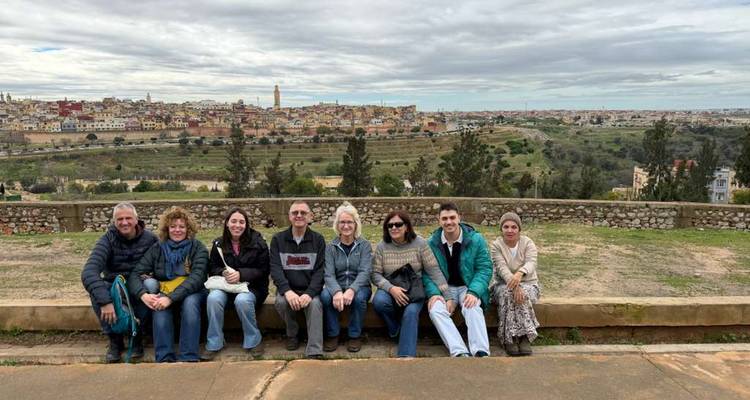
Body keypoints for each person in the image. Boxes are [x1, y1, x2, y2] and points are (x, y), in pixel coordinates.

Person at [128, 206, 208, 363]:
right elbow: (135, 274)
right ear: (167, 228)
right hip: (166, 290)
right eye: (173, 226)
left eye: (181, 227)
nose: (177, 230)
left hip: (193, 291)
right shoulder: (157, 248)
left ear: (188, 229)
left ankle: (188, 356)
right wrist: (143, 295)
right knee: (158, 305)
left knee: (190, 303)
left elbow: (197, 278)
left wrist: (170, 298)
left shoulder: (198, 248)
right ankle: (164, 358)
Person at [81, 202, 158, 363]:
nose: (124, 223)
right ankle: (114, 340)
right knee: (97, 290)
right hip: (114, 285)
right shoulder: (107, 240)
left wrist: (150, 274)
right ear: (114, 222)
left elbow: (160, 265)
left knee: (150, 286)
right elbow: (89, 271)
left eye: (128, 218)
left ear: (136, 220)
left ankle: (136, 335)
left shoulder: (150, 239)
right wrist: (105, 301)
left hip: (138, 284)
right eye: (120, 219)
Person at [371, 210, 449, 357]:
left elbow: (433, 270)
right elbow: (375, 274)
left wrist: (448, 296)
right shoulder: (382, 246)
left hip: (414, 288)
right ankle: (395, 329)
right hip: (391, 287)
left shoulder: (420, 243)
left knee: (411, 313)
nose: (394, 228)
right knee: (379, 301)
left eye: (398, 224)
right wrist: (391, 288)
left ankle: (406, 356)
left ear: (406, 226)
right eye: (390, 225)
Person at [201, 207, 270, 361]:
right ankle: (215, 342)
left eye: (241, 222)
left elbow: (264, 270)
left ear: (246, 225)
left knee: (242, 300)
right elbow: (213, 267)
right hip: (226, 286)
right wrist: (223, 273)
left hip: (252, 287)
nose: (237, 225)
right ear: (227, 223)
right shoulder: (218, 243)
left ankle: (254, 340)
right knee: (213, 299)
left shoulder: (259, 243)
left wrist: (241, 274)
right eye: (233, 221)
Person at [425, 203, 493, 357]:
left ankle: (481, 351)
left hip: (467, 286)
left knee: (472, 306)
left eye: (452, 217)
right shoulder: (431, 243)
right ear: (439, 220)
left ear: (459, 218)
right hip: (444, 288)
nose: (449, 222)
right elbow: (427, 273)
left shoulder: (476, 240)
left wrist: (474, 291)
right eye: (444, 218)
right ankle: (459, 350)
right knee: (435, 310)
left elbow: (484, 268)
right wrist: (435, 293)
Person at [270, 201, 326, 359]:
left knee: (315, 304)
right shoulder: (278, 240)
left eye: (303, 212)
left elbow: (320, 271)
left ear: (310, 216)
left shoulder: (318, 240)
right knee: (281, 302)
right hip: (288, 289)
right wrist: (287, 292)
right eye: (295, 213)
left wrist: (309, 293)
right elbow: (275, 269)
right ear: (289, 217)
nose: (299, 216)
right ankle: (292, 334)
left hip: (310, 289)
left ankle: (314, 349)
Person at [321, 202, 372, 353]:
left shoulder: (364, 245)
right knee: (324, 296)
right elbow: (328, 274)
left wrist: (351, 290)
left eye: (349, 222)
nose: (346, 226)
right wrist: (336, 291)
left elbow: (365, 272)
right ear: (337, 225)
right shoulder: (331, 247)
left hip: (360, 286)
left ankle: (355, 335)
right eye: (342, 222)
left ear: (356, 224)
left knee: (358, 299)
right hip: (337, 284)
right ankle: (333, 334)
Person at [490, 212, 541, 356]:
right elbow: (501, 268)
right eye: (506, 227)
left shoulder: (528, 243)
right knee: (508, 293)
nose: (510, 230)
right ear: (501, 229)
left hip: (529, 283)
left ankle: (524, 337)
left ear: (519, 229)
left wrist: (520, 273)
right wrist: (515, 285)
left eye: (514, 227)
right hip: (502, 285)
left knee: (522, 294)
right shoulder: (496, 246)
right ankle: (510, 338)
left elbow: (531, 262)